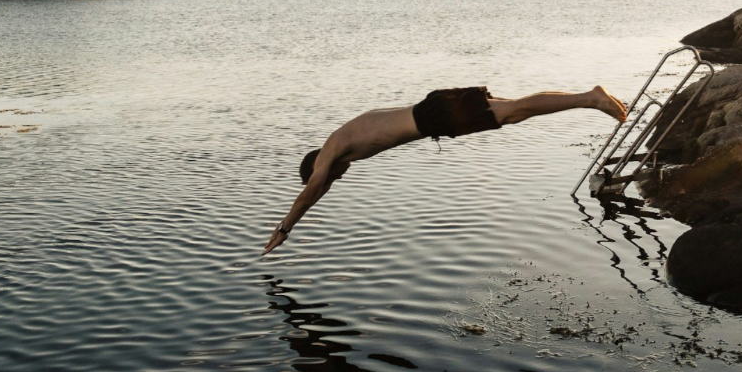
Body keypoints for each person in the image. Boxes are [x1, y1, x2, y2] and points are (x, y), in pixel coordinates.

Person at [263, 85, 628, 253]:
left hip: (433, 117)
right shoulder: (341, 142)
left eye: (330, 176)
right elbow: (321, 186)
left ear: (316, 165)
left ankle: (589, 99)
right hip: (433, 108)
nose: (336, 179)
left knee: (514, 111)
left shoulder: (330, 149)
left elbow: (313, 189)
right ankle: (587, 97)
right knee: (516, 109)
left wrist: (284, 228)